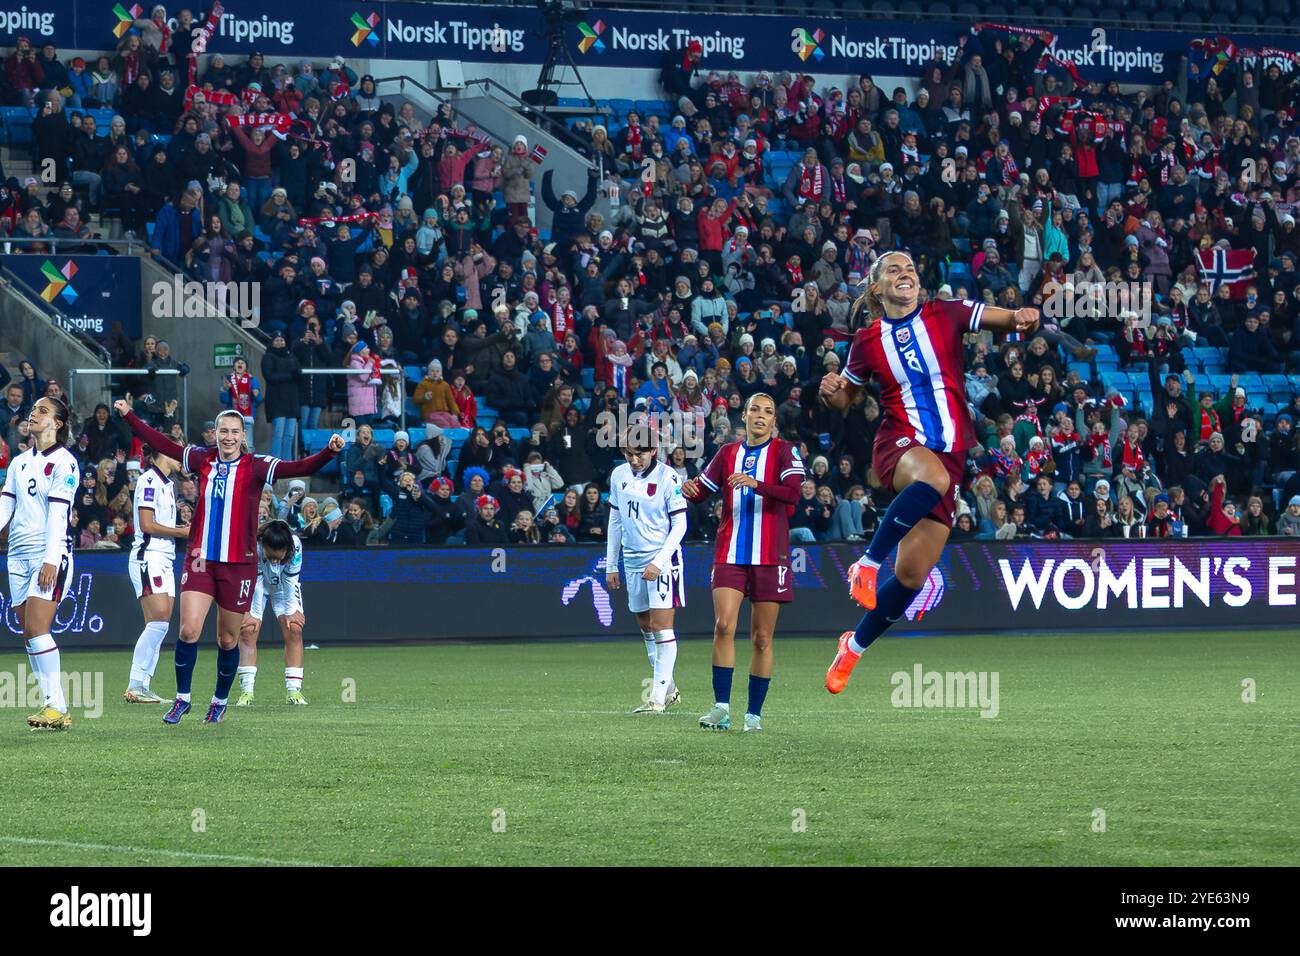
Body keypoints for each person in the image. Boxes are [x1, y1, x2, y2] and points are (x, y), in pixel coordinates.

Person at [819, 251, 1039, 693]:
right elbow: (848, 399)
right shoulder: (867, 341)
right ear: (877, 287)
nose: (906, 275)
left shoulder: (946, 312)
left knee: (912, 577)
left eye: (912, 269)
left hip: (951, 452)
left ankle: (853, 647)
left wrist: (1023, 317)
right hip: (900, 441)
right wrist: (832, 394)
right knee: (932, 480)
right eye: (894, 270)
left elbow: (1008, 319)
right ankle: (864, 564)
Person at [114, 398, 344, 725]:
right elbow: (162, 442)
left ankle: (220, 700)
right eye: (223, 430)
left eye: (234, 431)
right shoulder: (202, 458)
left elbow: (299, 468)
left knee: (227, 639)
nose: (228, 436)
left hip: (239, 564)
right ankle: (182, 699)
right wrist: (129, 416)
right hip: (200, 559)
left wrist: (329, 452)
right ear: (216, 434)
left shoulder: (257, 465)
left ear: (242, 436)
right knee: (189, 630)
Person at [683, 393, 805, 732]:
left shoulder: (785, 451)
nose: (761, 416)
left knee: (762, 637)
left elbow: (793, 494)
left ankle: (753, 714)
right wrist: (688, 488)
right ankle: (721, 708)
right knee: (723, 625)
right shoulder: (727, 454)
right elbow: (702, 491)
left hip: (770, 555)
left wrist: (757, 484)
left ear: (774, 421)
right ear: (745, 416)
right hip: (730, 553)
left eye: (768, 411)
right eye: (755, 410)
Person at [0, 397, 79, 729]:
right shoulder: (19, 462)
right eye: (34, 410)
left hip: (49, 554)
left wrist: (51, 560)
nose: (34, 414)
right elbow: (5, 504)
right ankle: (52, 707)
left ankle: (57, 706)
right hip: (16, 555)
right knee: (27, 633)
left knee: (36, 628)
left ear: (57, 424)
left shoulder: (65, 463)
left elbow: (60, 515)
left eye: (43, 411)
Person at [605, 427, 688, 715]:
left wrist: (659, 561)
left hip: (662, 558)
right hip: (632, 559)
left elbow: (680, 525)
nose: (633, 459)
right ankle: (669, 689)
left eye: (639, 453)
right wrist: (611, 563)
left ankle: (656, 700)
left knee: (661, 627)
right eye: (628, 453)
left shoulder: (669, 477)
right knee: (645, 626)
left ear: (653, 450)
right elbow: (615, 520)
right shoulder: (619, 475)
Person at [123, 445, 190, 704]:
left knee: (161, 624)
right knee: (158, 621)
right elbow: (147, 524)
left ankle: (142, 685)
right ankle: (135, 684)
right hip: (148, 556)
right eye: (176, 452)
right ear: (162, 454)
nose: (180, 458)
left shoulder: (167, 483)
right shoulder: (148, 480)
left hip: (164, 557)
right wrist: (181, 532)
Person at [236, 520, 308, 707]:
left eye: (279, 557)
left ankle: (294, 691)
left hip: (284, 587)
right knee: (249, 630)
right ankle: (246, 692)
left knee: (294, 630)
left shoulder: (296, 546)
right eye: (271, 557)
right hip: (256, 584)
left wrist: (292, 611)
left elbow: (291, 579)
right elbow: (256, 580)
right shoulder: (254, 545)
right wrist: (255, 614)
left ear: (287, 549)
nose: (275, 561)